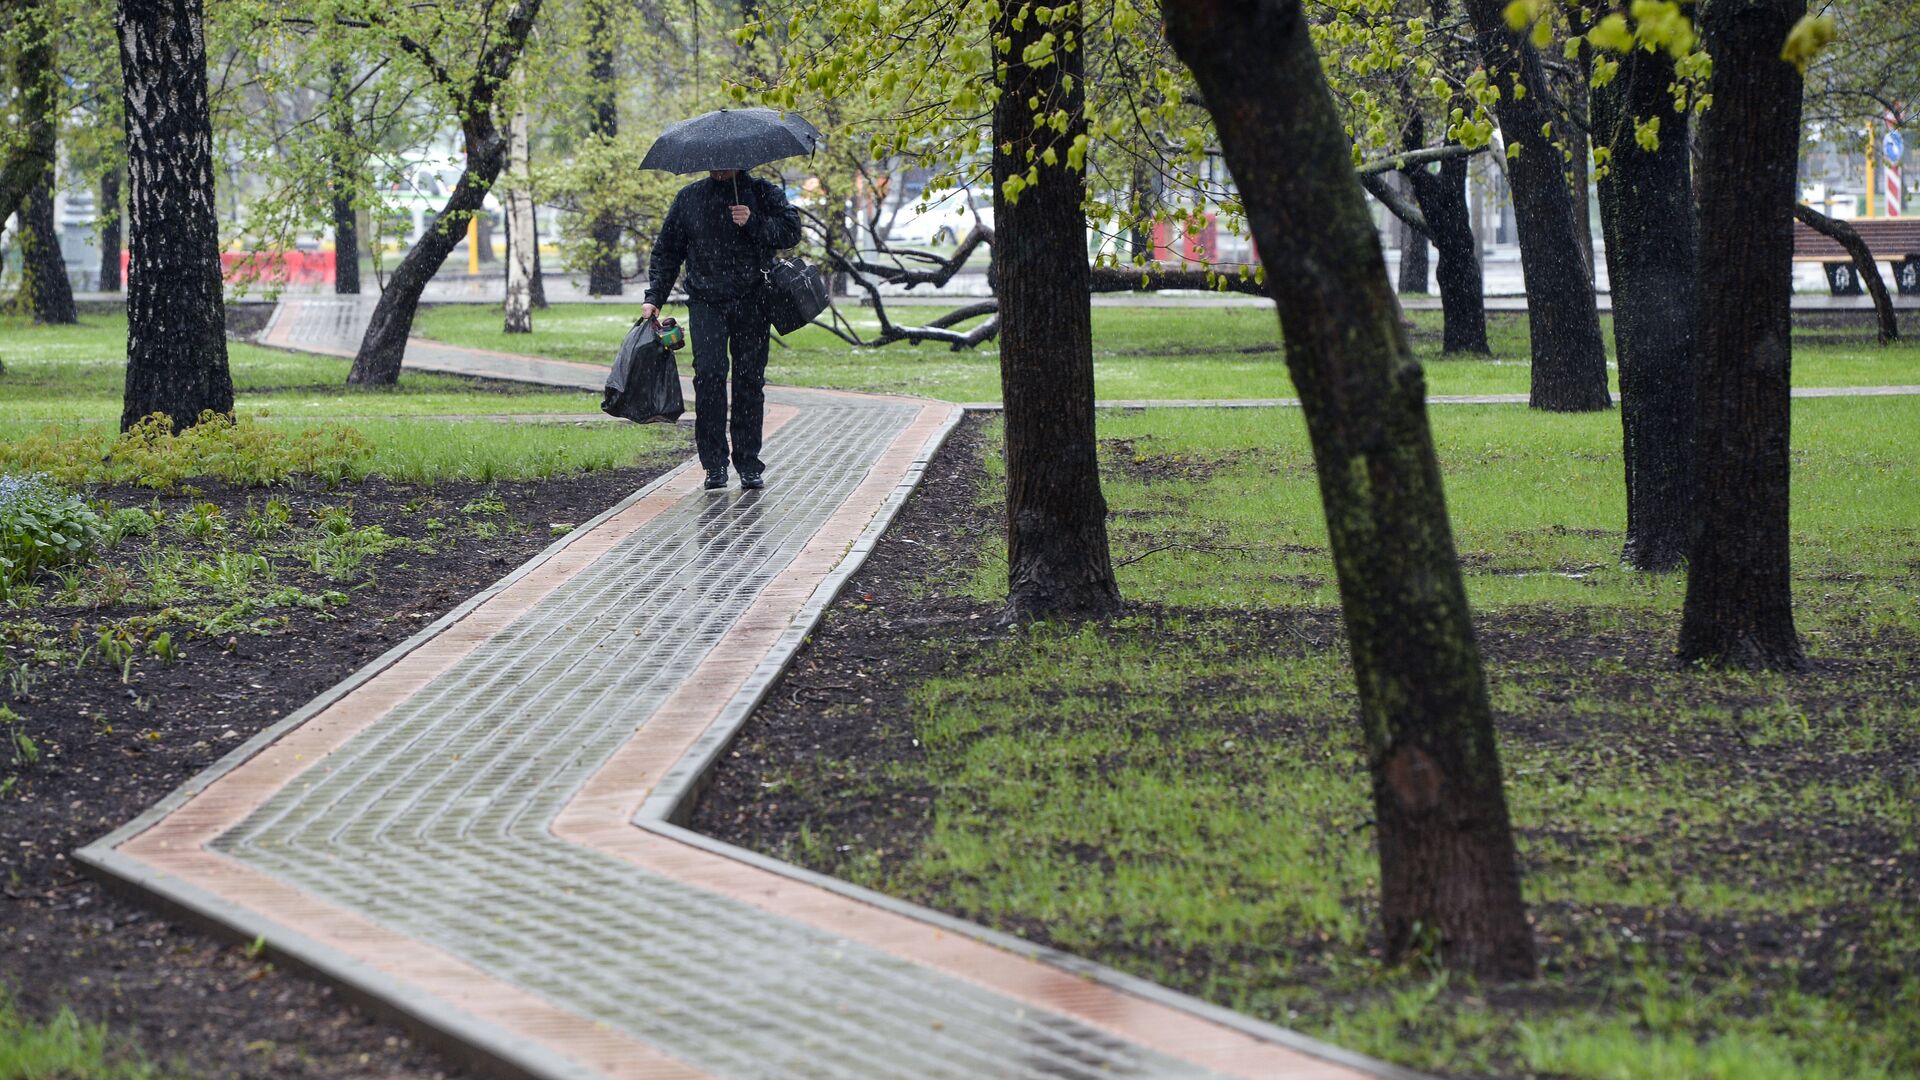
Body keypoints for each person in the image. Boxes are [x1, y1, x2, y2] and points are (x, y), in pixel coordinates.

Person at [641, 168, 803, 490]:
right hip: (706, 303)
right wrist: (654, 297)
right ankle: (714, 465)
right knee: (709, 378)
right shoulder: (690, 198)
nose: (717, 167)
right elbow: (668, 250)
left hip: (753, 301)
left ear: (740, 160)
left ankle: (748, 463)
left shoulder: (761, 193)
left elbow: (791, 233)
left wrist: (754, 221)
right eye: (711, 161)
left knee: (749, 381)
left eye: (724, 161)